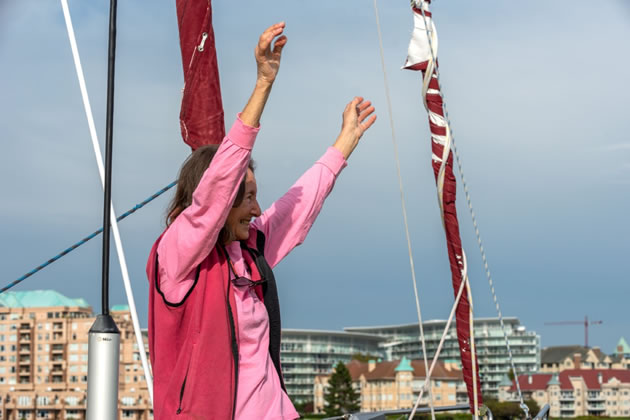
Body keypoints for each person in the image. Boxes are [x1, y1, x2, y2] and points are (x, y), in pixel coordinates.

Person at [146, 22, 376, 419]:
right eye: (248, 199)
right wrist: (263, 84)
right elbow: (217, 187)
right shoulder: (178, 255)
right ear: (221, 204)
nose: (256, 210)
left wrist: (344, 144)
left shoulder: (249, 249)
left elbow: (296, 208)